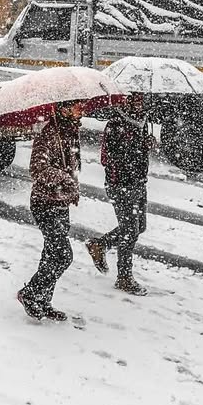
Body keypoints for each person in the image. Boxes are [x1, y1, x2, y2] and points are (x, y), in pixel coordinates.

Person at [17, 101, 84, 323]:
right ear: (64, 109)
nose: (80, 111)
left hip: (60, 203)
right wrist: (63, 178)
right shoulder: (49, 134)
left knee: (50, 254)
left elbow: (71, 165)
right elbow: (37, 169)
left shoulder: (70, 132)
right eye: (76, 107)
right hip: (44, 203)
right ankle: (30, 294)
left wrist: (71, 188)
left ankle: (43, 302)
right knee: (63, 255)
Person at [86, 96, 156, 296]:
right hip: (121, 185)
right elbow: (108, 158)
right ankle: (124, 277)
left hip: (139, 182)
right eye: (134, 100)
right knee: (129, 230)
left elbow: (138, 152)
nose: (138, 104)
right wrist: (139, 146)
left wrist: (146, 143)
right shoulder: (116, 124)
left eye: (141, 101)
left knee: (139, 227)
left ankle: (100, 244)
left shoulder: (142, 122)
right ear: (124, 102)